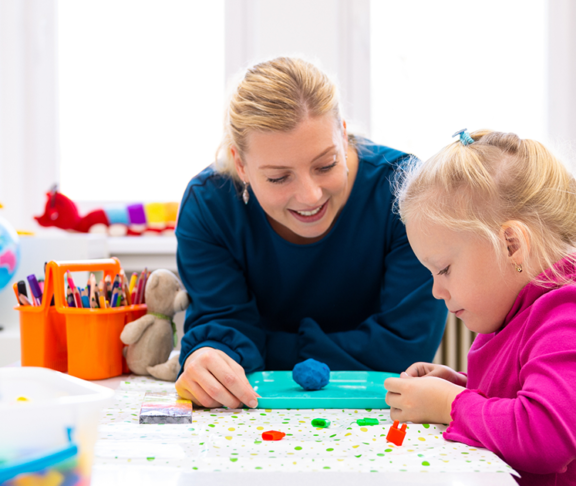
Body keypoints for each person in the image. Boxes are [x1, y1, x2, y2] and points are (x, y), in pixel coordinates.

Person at [174, 57, 447, 411]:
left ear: (343, 134)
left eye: (326, 164)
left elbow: (404, 348)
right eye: (278, 177)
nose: (310, 196)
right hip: (255, 416)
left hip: (381, 412)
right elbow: (221, 332)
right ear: (240, 165)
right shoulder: (209, 206)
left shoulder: (407, 191)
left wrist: (262, 349)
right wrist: (209, 358)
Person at [385, 129, 576, 485]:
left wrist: (451, 404)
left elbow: (545, 435)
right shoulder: (517, 309)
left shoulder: (566, 313)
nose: (436, 291)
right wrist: (464, 386)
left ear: (511, 244)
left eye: (443, 269)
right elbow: (520, 395)